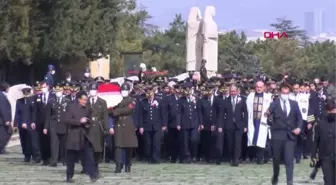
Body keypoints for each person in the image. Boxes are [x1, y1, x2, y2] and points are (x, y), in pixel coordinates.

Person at [268, 83, 303, 185]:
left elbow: (299, 118)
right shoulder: (274, 104)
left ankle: (289, 181)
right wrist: (269, 117)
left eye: (287, 93)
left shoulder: (294, 104)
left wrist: (299, 128)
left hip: (290, 136)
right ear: (280, 93)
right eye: (283, 93)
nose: (285, 95)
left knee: (289, 160)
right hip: (277, 136)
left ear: (289, 93)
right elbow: (268, 115)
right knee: (276, 160)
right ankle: (275, 176)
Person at [65, 91, 98, 183]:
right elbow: (67, 120)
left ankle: (93, 175)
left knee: (89, 156)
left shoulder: (88, 108)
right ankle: (69, 176)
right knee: (71, 158)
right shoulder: (71, 107)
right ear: (79, 99)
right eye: (83, 100)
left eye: (86, 100)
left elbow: (91, 119)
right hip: (74, 136)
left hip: (84, 135)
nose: (85, 102)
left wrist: (88, 122)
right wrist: (79, 121)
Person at [109, 82, 138, 173]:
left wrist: (115, 111)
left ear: (129, 91)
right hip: (118, 124)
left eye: (125, 90)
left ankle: (128, 164)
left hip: (128, 124)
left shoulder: (132, 100)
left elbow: (128, 110)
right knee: (118, 146)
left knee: (129, 146)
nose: (124, 92)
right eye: (122, 90)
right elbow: (110, 109)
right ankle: (118, 165)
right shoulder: (116, 100)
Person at [219, 84, 248, 166]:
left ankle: (236, 159)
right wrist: (220, 126)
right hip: (229, 125)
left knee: (238, 143)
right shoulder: (225, 101)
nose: (233, 93)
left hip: (239, 125)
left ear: (237, 91)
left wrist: (246, 125)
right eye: (231, 91)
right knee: (230, 143)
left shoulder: (242, 100)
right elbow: (221, 115)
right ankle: (231, 158)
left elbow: (245, 113)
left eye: (234, 91)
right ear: (229, 91)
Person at [43, 84, 70, 167]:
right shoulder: (51, 101)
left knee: (64, 144)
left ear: (62, 91)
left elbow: (70, 114)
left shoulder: (67, 101)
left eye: (59, 91)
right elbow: (48, 115)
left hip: (64, 124)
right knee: (54, 143)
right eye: (56, 91)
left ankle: (64, 159)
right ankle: (54, 160)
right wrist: (45, 127)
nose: (58, 93)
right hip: (53, 125)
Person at [311, 97, 336, 185]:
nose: (332, 112)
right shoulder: (320, 124)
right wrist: (313, 155)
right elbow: (315, 141)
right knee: (328, 180)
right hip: (325, 156)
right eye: (330, 110)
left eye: (334, 110)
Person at [14, 86, 41, 163]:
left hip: (30, 124)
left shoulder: (33, 101)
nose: (26, 96)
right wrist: (16, 124)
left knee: (33, 141)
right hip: (22, 124)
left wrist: (32, 122)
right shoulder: (19, 101)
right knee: (24, 141)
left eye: (27, 94)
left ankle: (36, 156)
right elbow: (17, 113)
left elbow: (34, 112)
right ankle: (26, 155)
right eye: (24, 94)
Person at [87, 82, 109, 175]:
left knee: (97, 148)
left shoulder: (102, 102)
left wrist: (106, 128)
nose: (92, 91)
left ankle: (96, 166)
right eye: (91, 89)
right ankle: (88, 167)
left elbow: (105, 116)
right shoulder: (86, 101)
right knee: (88, 149)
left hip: (98, 127)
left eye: (94, 89)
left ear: (97, 90)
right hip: (88, 127)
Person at [34, 81, 53, 165]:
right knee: (41, 141)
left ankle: (51, 157)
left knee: (50, 140)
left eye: (44, 87)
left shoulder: (53, 96)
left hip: (50, 121)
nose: (43, 88)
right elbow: (35, 110)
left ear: (48, 87)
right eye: (42, 87)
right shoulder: (38, 97)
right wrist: (34, 121)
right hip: (40, 122)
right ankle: (44, 158)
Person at [0, 82, 12, 154]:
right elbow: (3, 109)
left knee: (7, 133)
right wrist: (6, 120)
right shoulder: (2, 96)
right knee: (5, 134)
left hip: (3, 120)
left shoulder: (3, 95)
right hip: (2, 120)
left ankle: (2, 148)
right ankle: (1, 148)